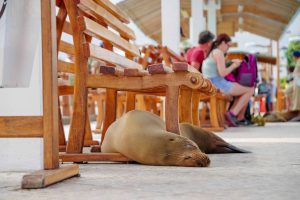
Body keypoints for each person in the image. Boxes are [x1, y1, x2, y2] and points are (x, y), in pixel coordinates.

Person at [202, 33, 255, 127]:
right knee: (250, 89)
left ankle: (233, 115)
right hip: (217, 84)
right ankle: (232, 114)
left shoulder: (213, 52)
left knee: (243, 91)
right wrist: (234, 65)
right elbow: (222, 73)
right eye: (228, 45)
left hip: (211, 83)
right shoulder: (218, 52)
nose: (228, 48)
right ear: (223, 43)